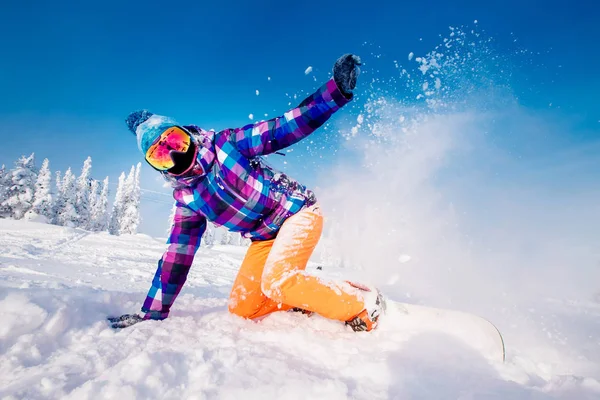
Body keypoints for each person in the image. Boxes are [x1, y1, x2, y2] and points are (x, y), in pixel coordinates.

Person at [110, 54, 385, 332]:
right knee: (243, 309)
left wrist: (334, 92)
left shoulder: (226, 144)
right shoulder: (187, 200)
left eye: (175, 141)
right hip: (264, 237)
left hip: (298, 213)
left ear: (187, 134)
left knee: (278, 281)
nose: (175, 154)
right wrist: (152, 313)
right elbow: (177, 256)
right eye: (161, 155)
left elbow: (283, 128)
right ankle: (305, 296)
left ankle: (361, 302)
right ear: (157, 167)